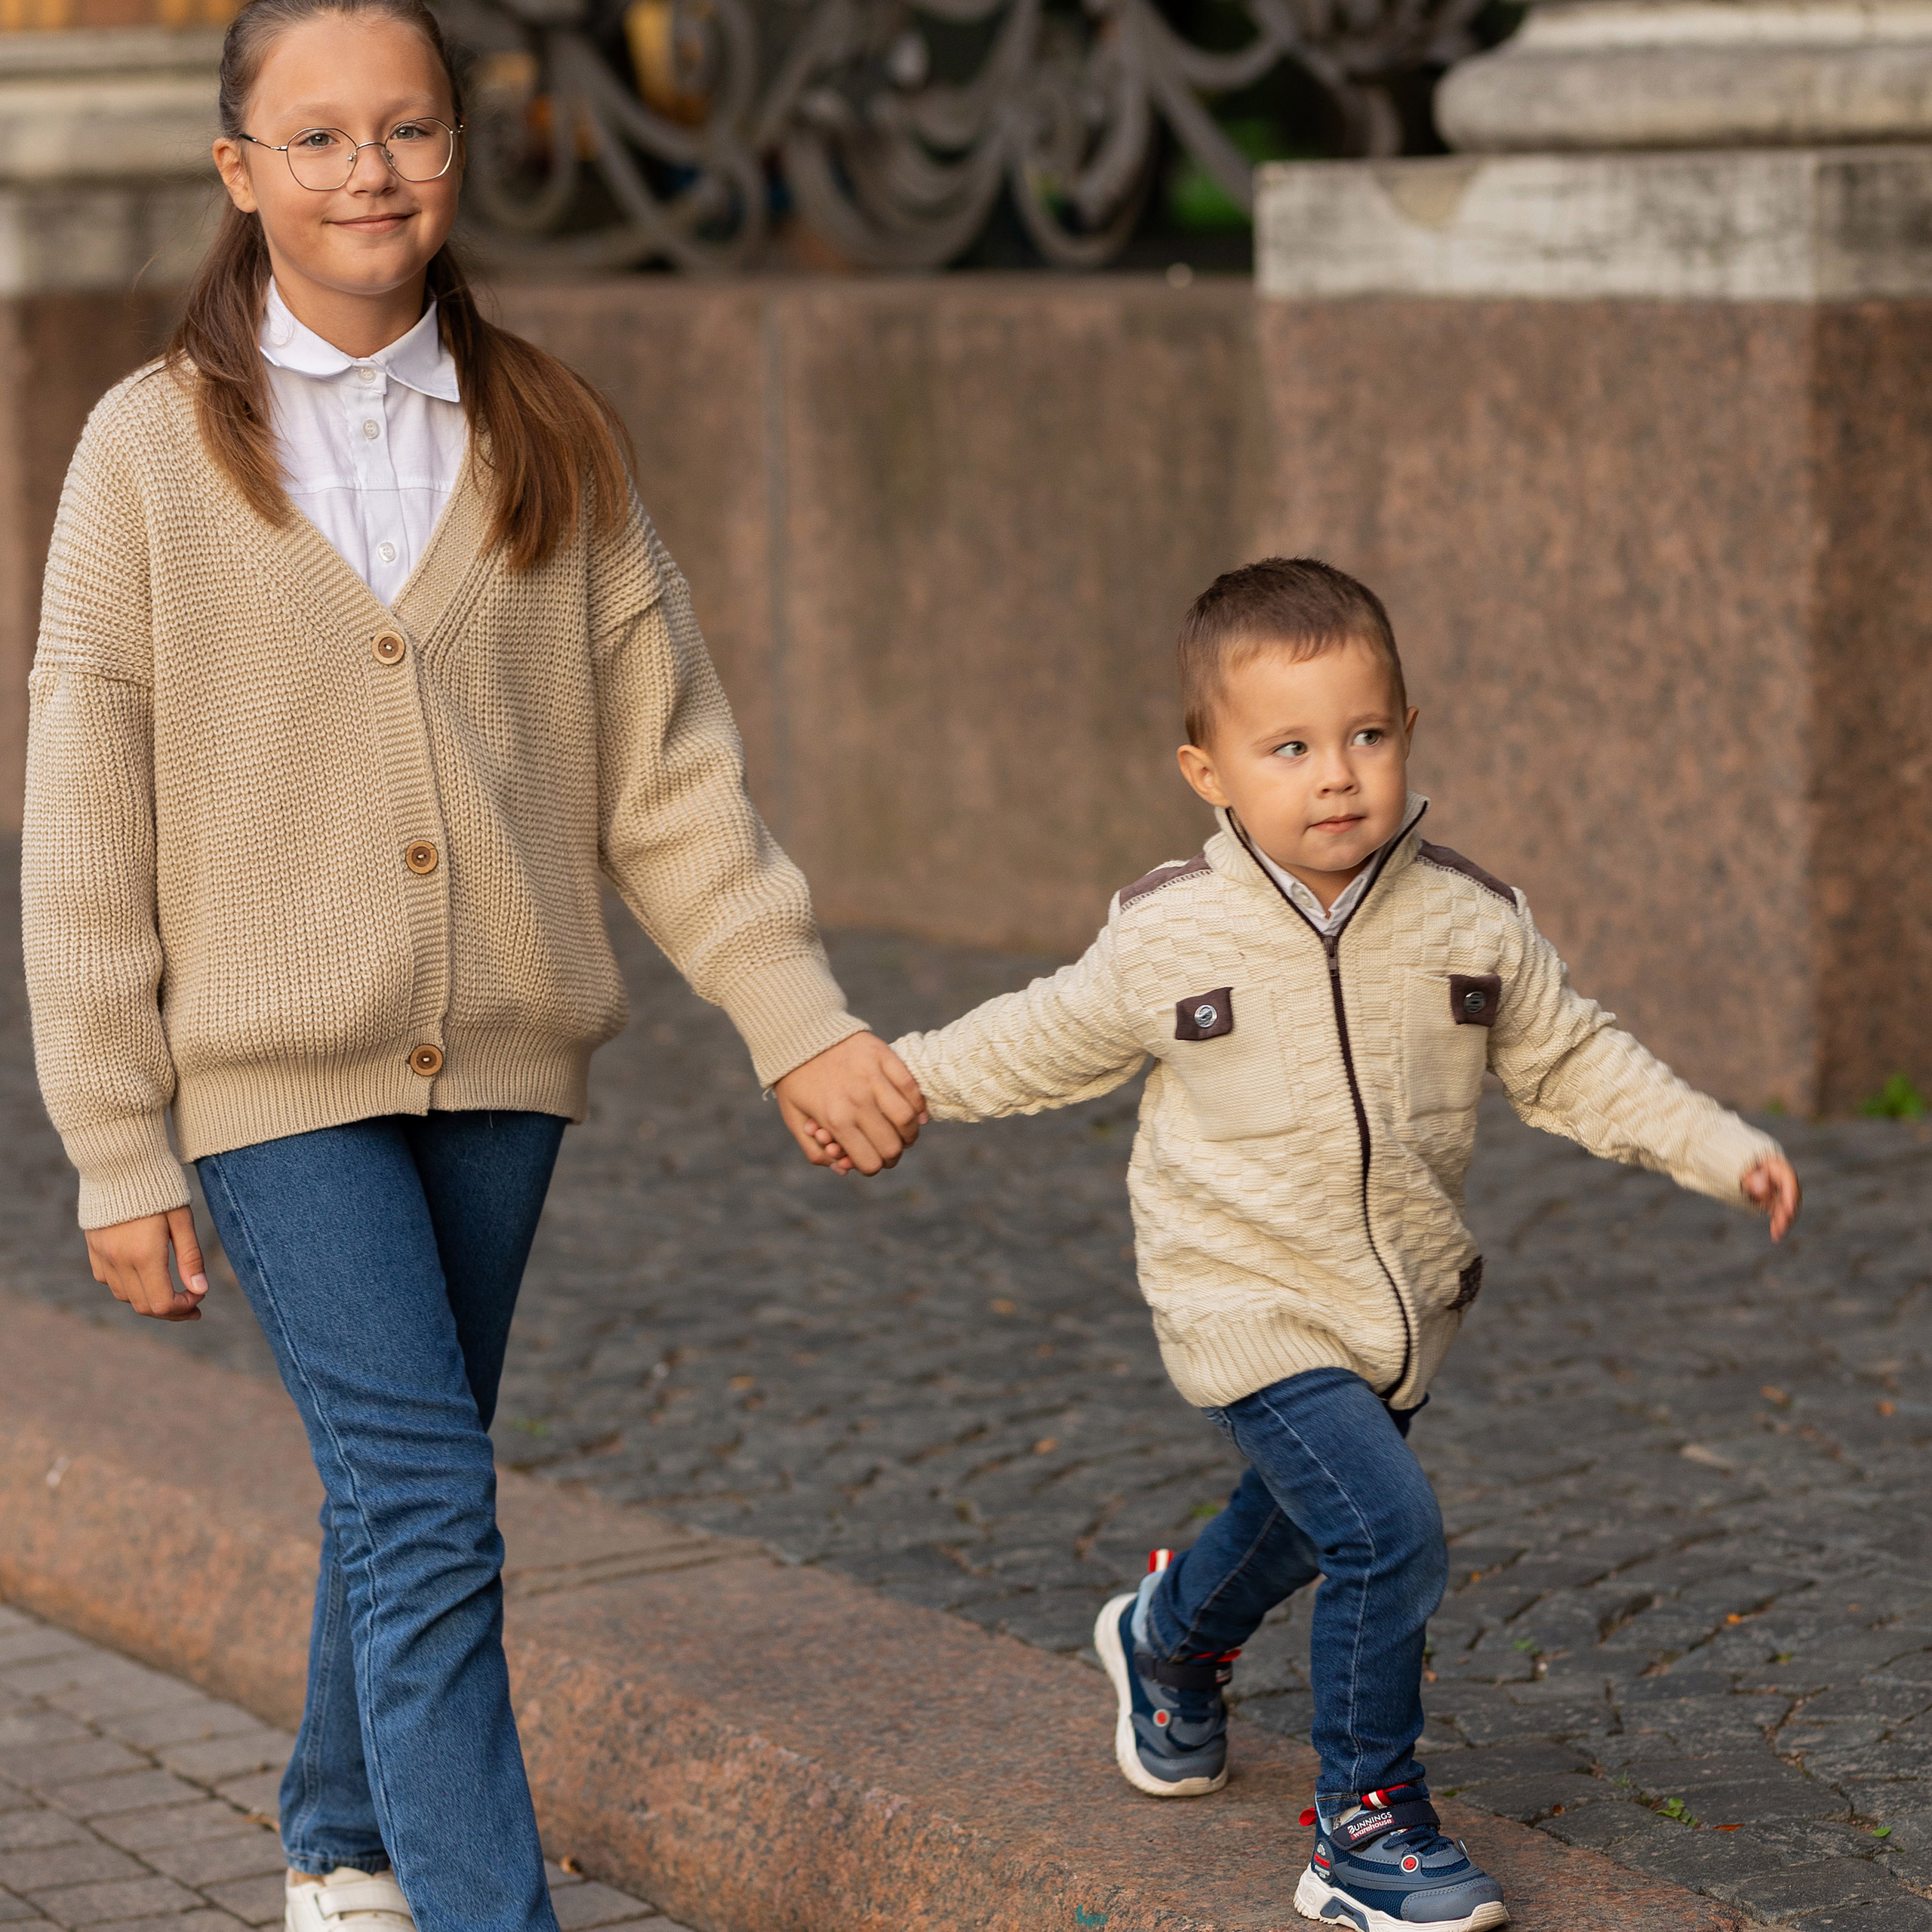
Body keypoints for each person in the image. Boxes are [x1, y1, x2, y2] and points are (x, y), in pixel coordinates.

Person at [19, 2, 924, 1927]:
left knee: (402, 1475)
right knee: (427, 1495)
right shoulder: (146, 451)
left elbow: (668, 775)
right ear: (239, 168)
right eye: (320, 137)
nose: (370, 173)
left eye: (408, 129)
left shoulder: (547, 431)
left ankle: (341, 1833)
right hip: (272, 1078)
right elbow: (86, 818)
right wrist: (114, 1141)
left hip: (503, 1059)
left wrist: (793, 1018)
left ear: (457, 147)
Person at [872, 558, 1801, 1932]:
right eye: (1290, 748)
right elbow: (1037, 1036)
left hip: (1396, 1310)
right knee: (1385, 1530)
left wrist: (1720, 1146)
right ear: (1207, 770)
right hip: (1241, 1300)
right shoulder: (1173, 931)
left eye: (1366, 735)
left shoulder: (1469, 921)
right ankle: (1365, 1822)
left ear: (1408, 731)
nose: (1337, 777)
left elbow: (1578, 1063)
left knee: (1302, 1524)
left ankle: (1168, 1639)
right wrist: (888, 1081)